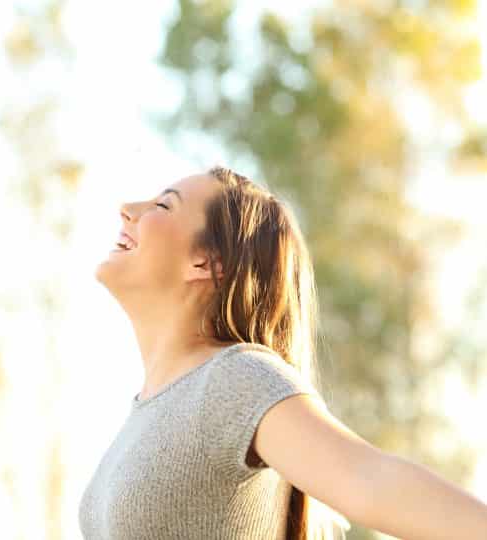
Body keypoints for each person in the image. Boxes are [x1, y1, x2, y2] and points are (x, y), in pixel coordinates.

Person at [78, 165, 487, 539]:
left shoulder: (233, 379)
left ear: (206, 263)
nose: (128, 209)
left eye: (163, 205)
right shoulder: (147, 411)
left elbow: (369, 480)